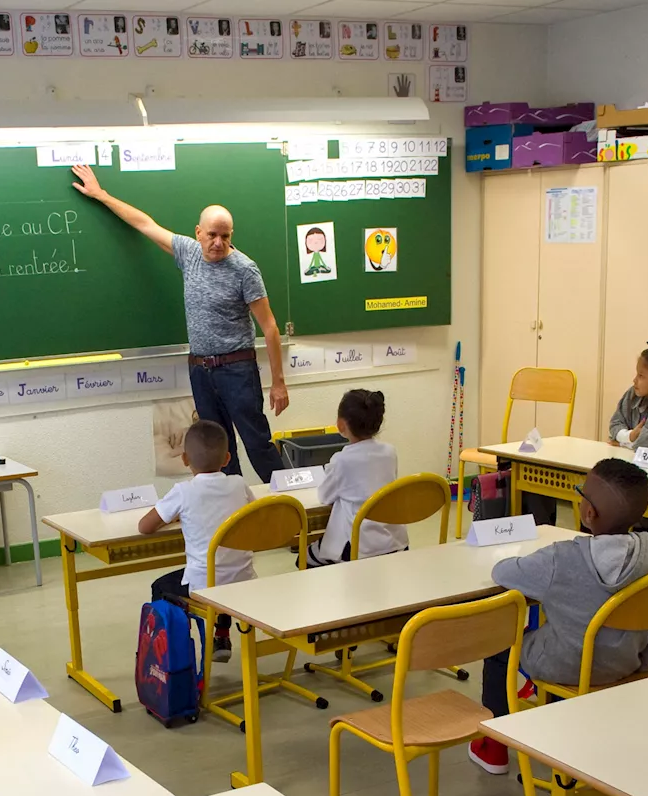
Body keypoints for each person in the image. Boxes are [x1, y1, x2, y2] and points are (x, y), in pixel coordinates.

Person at [71, 163, 289, 481]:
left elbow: (269, 326)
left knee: (257, 443)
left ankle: (295, 508)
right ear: (198, 232)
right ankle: (230, 516)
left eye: (225, 237)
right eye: (212, 235)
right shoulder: (188, 252)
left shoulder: (245, 270)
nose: (218, 242)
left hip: (237, 370)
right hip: (200, 370)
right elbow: (144, 224)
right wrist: (102, 195)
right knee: (217, 451)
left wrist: (279, 383)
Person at [469, 457, 648, 774]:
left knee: (500, 644)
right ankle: (558, 729)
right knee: (560, 630)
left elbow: (503, 572)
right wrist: (644, 662)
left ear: (588, 512)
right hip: (628, 662)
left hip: (568, 665)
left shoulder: (562, 558)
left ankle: (495, 748)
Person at [139, 419, 253, 663]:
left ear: (185, 459)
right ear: (227, 459)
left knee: (161, 587)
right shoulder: (239, 484)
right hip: (244, 580)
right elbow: (252, 515)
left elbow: (145, 527)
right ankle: (221, 634)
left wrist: (175, 516)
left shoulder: (183, 491)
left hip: (205, 586)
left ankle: (174, 657)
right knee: (223, 567)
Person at [308, 389, 406, 566]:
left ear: (340, 424)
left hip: (358, 545)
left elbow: (324, 496)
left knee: (305, 557)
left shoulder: (342, 460)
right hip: (394, 540)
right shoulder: (390, 452)